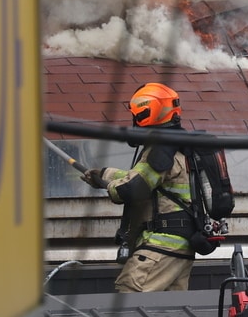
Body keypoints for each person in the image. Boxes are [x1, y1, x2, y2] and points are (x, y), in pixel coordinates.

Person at [82, 82, 197, 292]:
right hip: (180, 248)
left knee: (128, 295)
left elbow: (131, 189)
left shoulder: (160, 151)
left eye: (137, 115)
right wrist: (105, 174)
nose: (134, 121)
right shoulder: (179, 147)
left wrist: (109, 187)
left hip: (160, 246)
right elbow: (144, 178)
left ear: (146, 113)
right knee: (168, 313)